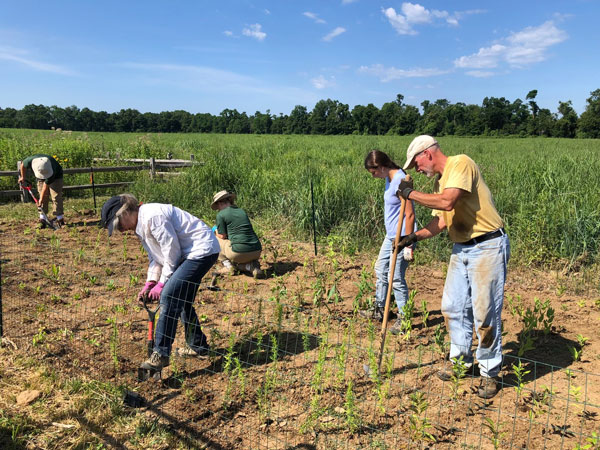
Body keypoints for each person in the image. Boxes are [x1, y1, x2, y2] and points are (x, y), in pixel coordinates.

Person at [396, 135, 510, 399]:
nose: (417, 170)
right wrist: (412, 238)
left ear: (427, 154)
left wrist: (410, 194)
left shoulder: (460, 164)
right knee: (453, 306)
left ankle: (489, 373)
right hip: (462, 247)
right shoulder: (440, 183)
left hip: (487, 245)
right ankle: (461, 361)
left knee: (485, 312)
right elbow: (441, 222)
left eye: (416, 164)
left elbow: (447, 202)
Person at [101, 194, 220, 371]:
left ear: (125, 213)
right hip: (187, 254)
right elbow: (156, 258)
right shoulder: (141, 227)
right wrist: (150, 282)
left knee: (170, 296)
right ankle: (197, 345)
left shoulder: (153, 216)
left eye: (118, 226)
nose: (121, 231)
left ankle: (161, 354)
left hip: (201, 251)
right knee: (182, 300)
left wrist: (163, 284)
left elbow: (171, 252)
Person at [360, 150, 416, 335]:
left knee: (397, 278)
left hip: (401, 237)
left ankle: (404, 318)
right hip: (390, 235)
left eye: (373, 172)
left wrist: (408, 243)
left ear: (382, 167)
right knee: (380, 268)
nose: (373, 175)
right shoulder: (389, 178)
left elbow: (409, 214)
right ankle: (380, 308)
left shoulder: (401, 181)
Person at [211, 190, 263, 278]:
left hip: (238, 253)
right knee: (237, 247)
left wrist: (215, 230)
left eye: (218, 207)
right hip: (257, 251)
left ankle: (228, 266)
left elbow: (222, 236)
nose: (218, 209)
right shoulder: (241, 211)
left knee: (214, 238)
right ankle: (249, 266)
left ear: (220, 203)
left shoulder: (221, 215)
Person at [18, 154, 65, 228]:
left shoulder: (52, 168)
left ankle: (59, 219)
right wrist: (23, 177)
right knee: (43, 196)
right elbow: (23, 164)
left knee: (56, 196)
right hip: (41, 176)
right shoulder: (30, 160)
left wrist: (40, 200)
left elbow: (45, 188)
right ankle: (42, 219)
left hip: (56, 176)